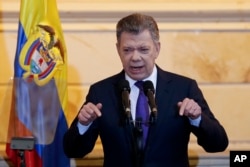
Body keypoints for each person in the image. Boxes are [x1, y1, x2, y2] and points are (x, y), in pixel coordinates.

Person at [63, 13, 228, 167]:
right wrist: (83, 124)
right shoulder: (101, 92)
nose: (135, 57)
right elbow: (73, 150)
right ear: (118, 49)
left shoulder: (184, 88)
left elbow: (218, 144)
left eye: (143, 49)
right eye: (127, 50)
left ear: (157, 49)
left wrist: (197, 118)